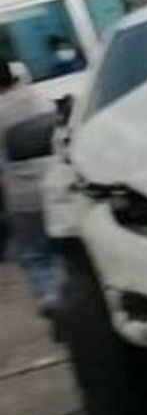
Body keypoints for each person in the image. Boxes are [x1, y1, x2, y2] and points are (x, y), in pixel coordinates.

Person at [0, 63, 61, 311]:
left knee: (35, 254)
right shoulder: (42, 101)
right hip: (59, 187)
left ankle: (50, 299)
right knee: (65, 247)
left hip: (25, 198)